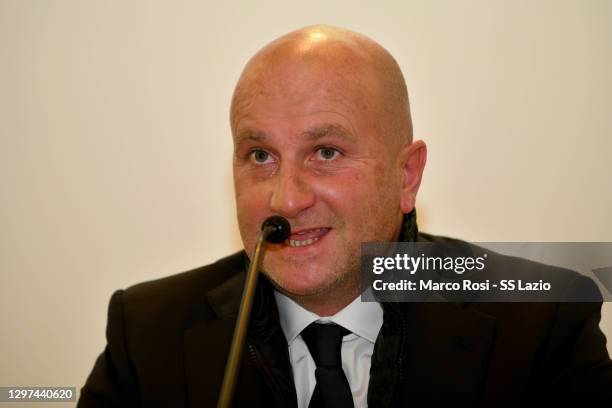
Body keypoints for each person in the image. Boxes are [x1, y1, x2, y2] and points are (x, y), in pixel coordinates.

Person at [78, 25, 612, 407]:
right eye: (260, 156)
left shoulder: (542, 319)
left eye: (326, 152)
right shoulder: (148, 333)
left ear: (407, 176)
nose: (286, 201)